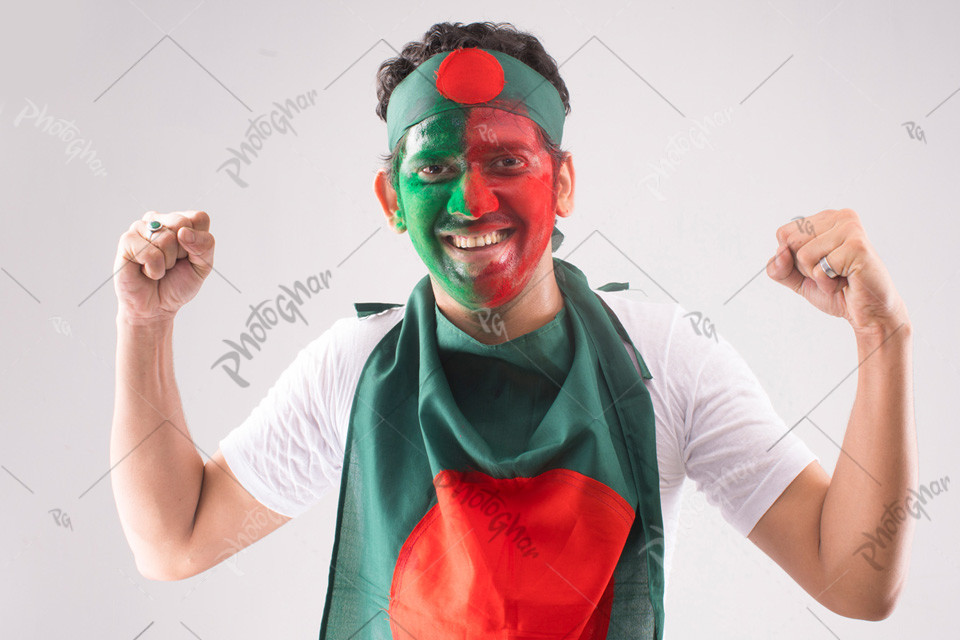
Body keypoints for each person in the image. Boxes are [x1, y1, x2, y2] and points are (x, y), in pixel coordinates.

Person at [111, 21, 917, 640]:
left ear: (561, 182)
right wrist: (144, 323)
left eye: (506, 162)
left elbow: (854, 579)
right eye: (434, 170)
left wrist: (882, 341)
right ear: (392, 200)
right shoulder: (356, 369)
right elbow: (173, 541)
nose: (471, 202)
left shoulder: (661, 358)